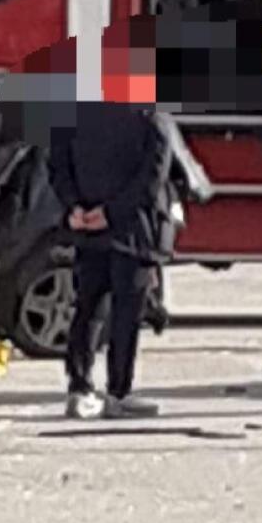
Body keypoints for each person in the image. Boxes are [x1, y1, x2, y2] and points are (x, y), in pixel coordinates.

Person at [49, 102, 172, 420]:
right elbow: (152, 177)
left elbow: (57, 165)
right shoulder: (150, 115)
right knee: (126, 314)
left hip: (86, 225)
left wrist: (75, 207)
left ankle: (79, 387)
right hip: (132, 229)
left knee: (88, 307)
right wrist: (111, 213)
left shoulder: (73, 111)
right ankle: (118, 391)